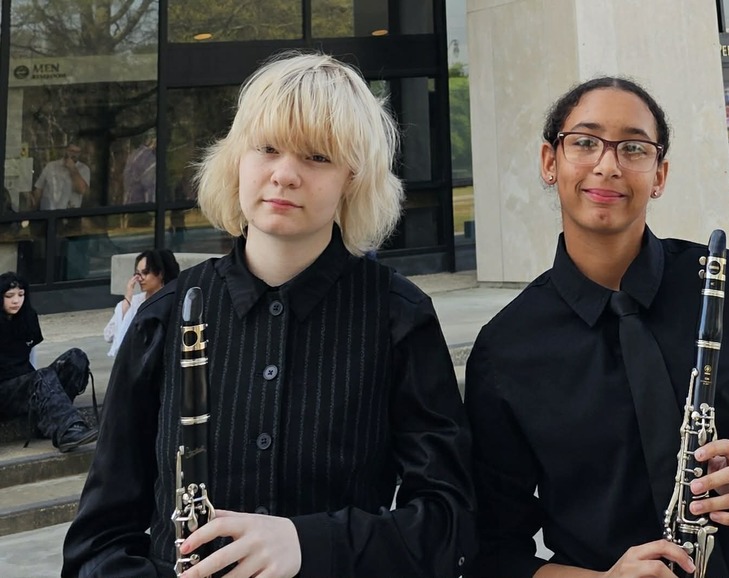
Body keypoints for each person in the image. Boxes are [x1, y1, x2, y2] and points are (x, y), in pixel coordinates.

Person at [62, 51, 475, 578]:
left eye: (317, 157)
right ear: (237, 159)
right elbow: (96, 545)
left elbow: (451, 525)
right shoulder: (163, 318)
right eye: (268, 149)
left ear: (352, 177)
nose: (285, 175)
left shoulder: (400, 317)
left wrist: (310, 544)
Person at [464, 77, 729, 578]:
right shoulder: (505, 349)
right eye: (584, 142)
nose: (607, 164)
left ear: (659, 174)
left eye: (634, 148)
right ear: (549, 162)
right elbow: (492, 552)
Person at [0, 272, 97, 453]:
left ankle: (54, 423)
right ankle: (67, 429)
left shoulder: (28, 317)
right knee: (41, 376)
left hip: (29, 384)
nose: (16, 301)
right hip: (5, 392)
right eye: (9, 296)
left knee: (76, 357)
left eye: (21, 295)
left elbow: (31, 356)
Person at [103, 249, 180, 358]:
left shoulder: (171, 300)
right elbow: (108, 335)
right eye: (137, 274)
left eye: (145, 273)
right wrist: (127, 299)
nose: (140, 278)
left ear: (160, 274)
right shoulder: (134, 302)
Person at [30, 142, 90, 210]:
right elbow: (39, 189)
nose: (74, 154)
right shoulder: (51, 166)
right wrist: (33, 205)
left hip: (70, 214)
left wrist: (73, 169)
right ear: (66, 150)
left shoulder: (83, 169)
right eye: (72, 151)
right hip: (49, 213)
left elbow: (81, 190)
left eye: (77, 152)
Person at [123, 131, 157, 204]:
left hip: (129, 201)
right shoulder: (150, 158)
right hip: (140, 204)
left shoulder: (134, 153)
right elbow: (149, 184)